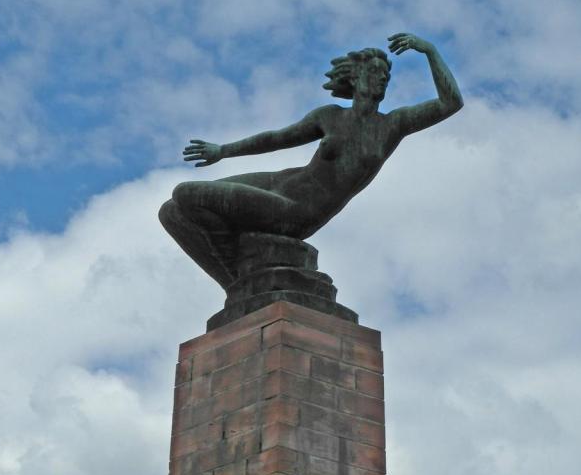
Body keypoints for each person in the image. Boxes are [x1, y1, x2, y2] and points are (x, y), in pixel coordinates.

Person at [159, 32, 463, 289]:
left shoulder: (392, 125)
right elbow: (277, 138)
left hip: (298, 210)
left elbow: (450, 103)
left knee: (187, 194)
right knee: (171, 212)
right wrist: (223, 150)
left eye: (386, 76)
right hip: (281, 183)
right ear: (355, 78)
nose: (382, 79)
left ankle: (239, 280)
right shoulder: (329, 115)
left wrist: (430, 51)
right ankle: (237, 283)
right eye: (374, 72)